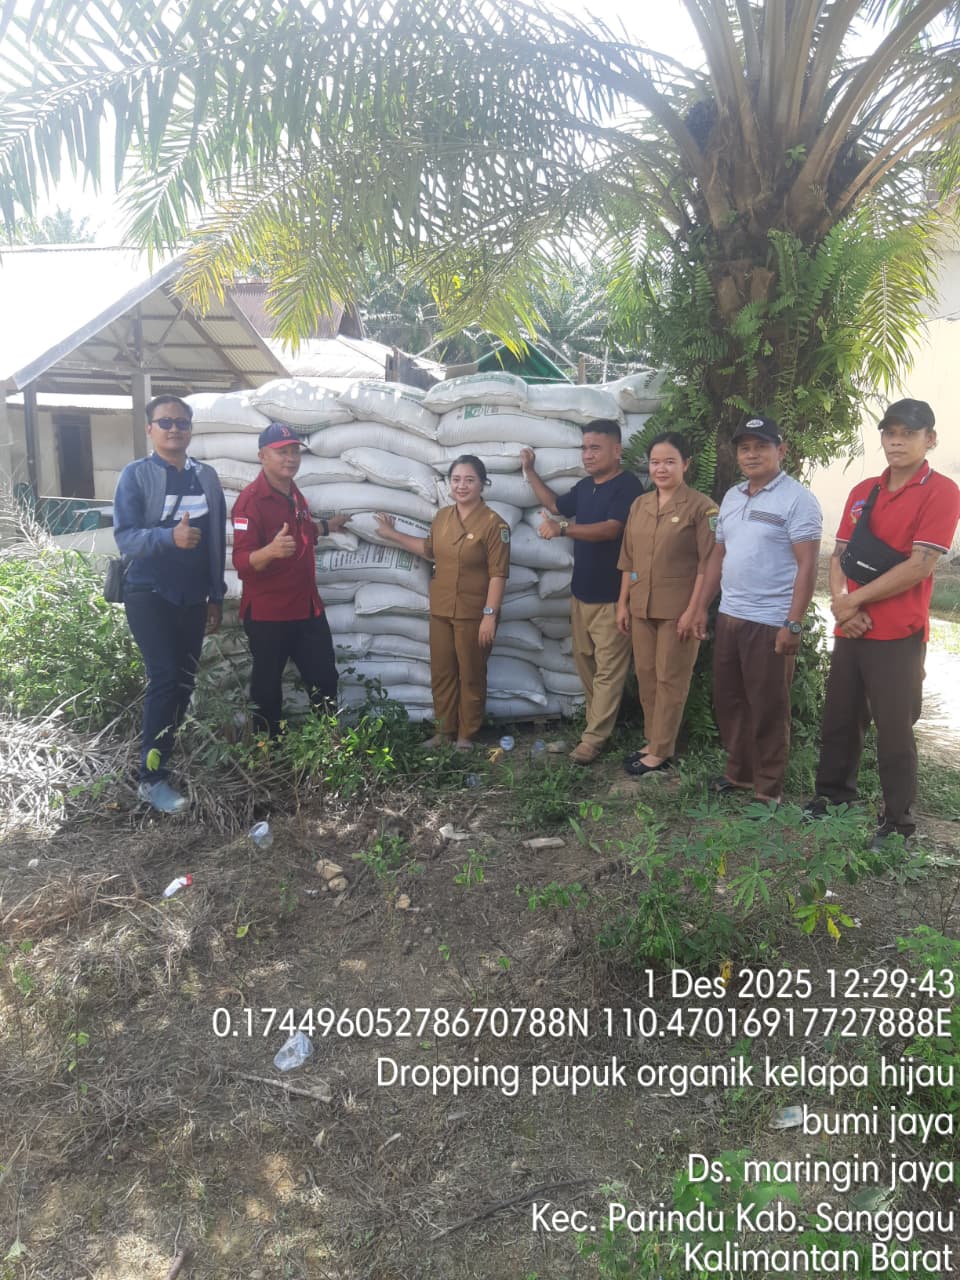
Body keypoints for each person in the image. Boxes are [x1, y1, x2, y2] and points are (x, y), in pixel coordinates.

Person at [805, 399, 960, 850]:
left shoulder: (941, 491)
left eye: (908, 433)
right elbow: (840, 554)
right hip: (852, 627)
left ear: (930, 439)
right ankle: (833, 796)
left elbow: (920, 565)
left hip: (898, 633)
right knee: (839, 717)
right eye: (890, 432)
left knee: (894, 730)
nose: (896, 441)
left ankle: (898, 823)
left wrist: (852, 600)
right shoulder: (864, 489)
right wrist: (843, 605)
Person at [694, 416, 822, 806]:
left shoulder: (798, 499)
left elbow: (808, 565)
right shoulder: (732, 497)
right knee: (730, 700)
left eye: (761, 447)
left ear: (781, 451)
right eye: (744, 448)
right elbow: (718, 555)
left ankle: (768, 789)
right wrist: (700, 607)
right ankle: (739, 774)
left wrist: (793, 623)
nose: (752, 455)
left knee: (767, 706)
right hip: (730, 616)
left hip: (769, 621)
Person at [113, 393, 226, 814]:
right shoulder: (136, 475)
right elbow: (125, 537)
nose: (174, 429)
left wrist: (215, 595)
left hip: (192, 596)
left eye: (182, 422)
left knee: (184, 682)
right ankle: (151, 780)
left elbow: (216, 540)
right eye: (165, 422)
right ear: (150, 429)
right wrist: (168, 537)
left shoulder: (206, 477)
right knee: (163, 678)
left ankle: (163, 753)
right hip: (148, 592)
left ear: (190, 429)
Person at [521, 420, 646, 764]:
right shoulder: (586, 486)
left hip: (612, 595)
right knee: (585, 661)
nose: (587, 455)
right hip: (582, 594)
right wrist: (529, 472)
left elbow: (611, 529)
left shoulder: (627, 486)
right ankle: (596, 726)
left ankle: (593, 739)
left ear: (616, 451)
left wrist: (563, 529)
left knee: (608, 670)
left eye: (595, 448)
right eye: (584, 448)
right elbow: (556, 505)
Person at [374, 455, 510, 749]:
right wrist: (392, 534)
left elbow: (498, 574)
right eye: (456, 479)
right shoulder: (443, 517)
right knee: (442, 672)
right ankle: (444, 730)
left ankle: (466, 735)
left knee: (471, 674)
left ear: (482, 484)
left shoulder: (494, 525)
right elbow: (428, 550)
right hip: (442, 608)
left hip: (474, 612)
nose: (461, 486)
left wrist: (489, 615)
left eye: (469, 480)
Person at [231, 421, 348, 737]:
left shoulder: (294, 493)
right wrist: (269, 552)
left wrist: (326, 527)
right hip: (269, 614)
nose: (291, 458)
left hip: (307, 608)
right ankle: (268, 750)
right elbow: (241, 561)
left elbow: (301, 531)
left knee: (324, 679)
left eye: (295, 451)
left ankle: (326, 744)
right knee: (267, 688)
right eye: (281, 452)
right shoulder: (250, 502)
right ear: (262, 456)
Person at [616, 432, 718, 775]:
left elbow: (708, 564)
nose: (661, 468)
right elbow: (628, 560)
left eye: (670, 462)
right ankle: (652, 740)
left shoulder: (702, 507)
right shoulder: (640, 505)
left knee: (670, 678)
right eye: (655, 462)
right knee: (646, 677)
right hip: (641, 606)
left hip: (678, 611)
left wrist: (695, 610)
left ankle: (662, 750)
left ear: (686, 464)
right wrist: (622, 604)